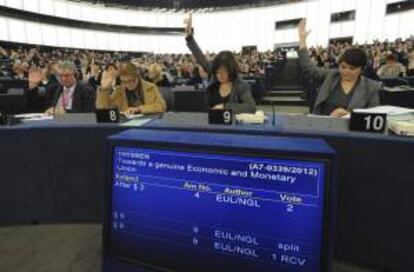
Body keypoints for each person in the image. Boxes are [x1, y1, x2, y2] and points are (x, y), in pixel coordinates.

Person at [297, 19, 381, 117]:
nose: (346, 71)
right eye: (343, 67)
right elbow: (310, 69)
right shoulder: (332, 76)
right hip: (323, 126)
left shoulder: (371, 87)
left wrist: (349, 116)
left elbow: (373, 117)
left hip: (351, 130)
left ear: (361, 69)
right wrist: (302, 40)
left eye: (352, 68)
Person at [184, 14, 256, 114]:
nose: (219, 75)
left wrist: (224, 107)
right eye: (217, 72)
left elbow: (251, 107)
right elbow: (201, 58)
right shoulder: (214, 73)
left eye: (223, 72)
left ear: (231, 70)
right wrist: (189, 38)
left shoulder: (240, 85)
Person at [26, 61, 96, 114]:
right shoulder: (53, 89)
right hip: (52, 125)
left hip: (74, 126)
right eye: (60, 75)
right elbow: (36, 108)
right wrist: (32, 86)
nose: (63, 78)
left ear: (76, 75)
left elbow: (89, 115)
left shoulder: (87, 91)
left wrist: (65, 112)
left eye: (67, 75)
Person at [96, 62, 166, 114]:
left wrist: (139, 109)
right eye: (124, 81)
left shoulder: (150, 87)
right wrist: (104, 89)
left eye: (130, 80)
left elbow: (162, 106)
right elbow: (103, 111)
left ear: (137, 77)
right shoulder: (119, 90)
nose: (128, 85)